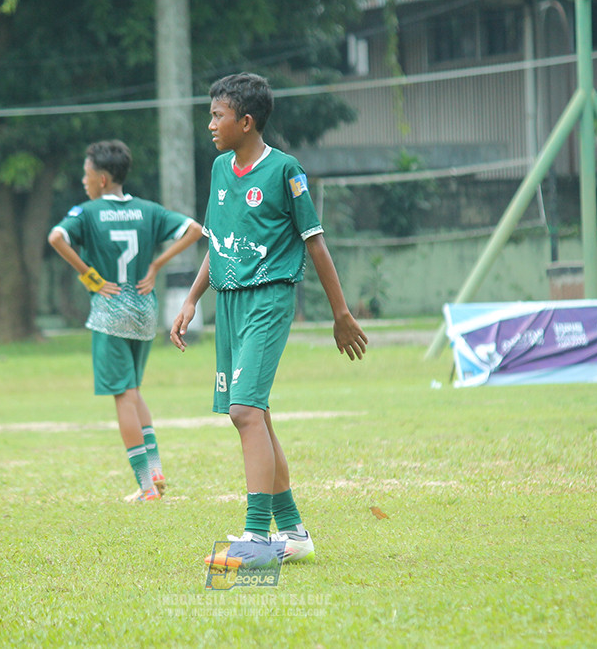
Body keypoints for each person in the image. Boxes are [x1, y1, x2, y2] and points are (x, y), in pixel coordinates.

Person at [170, 73, 368, 564]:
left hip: (269, 299)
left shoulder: (285, 170)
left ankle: (257, 539)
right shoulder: (220, 168)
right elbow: (218, 243)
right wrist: (192, 299)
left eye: (217, 115)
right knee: (255, 413)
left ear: (246, 121)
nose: (210, 124)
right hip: (230, 303)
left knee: (244, 413)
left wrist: (341, 313)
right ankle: (294, 534)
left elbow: (314, 242)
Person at [49, 139, 203, 502]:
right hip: (144, 310)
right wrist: (156, 264)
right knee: (133, 390)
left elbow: (57, 238)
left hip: (110, 312)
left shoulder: (87, 212)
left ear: (102, 179)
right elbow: (195, 230)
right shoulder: (148, 210)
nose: (83, 180)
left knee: (123, 395)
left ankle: (147, 487)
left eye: (87, 174)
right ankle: (155, 470)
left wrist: (90, 277)